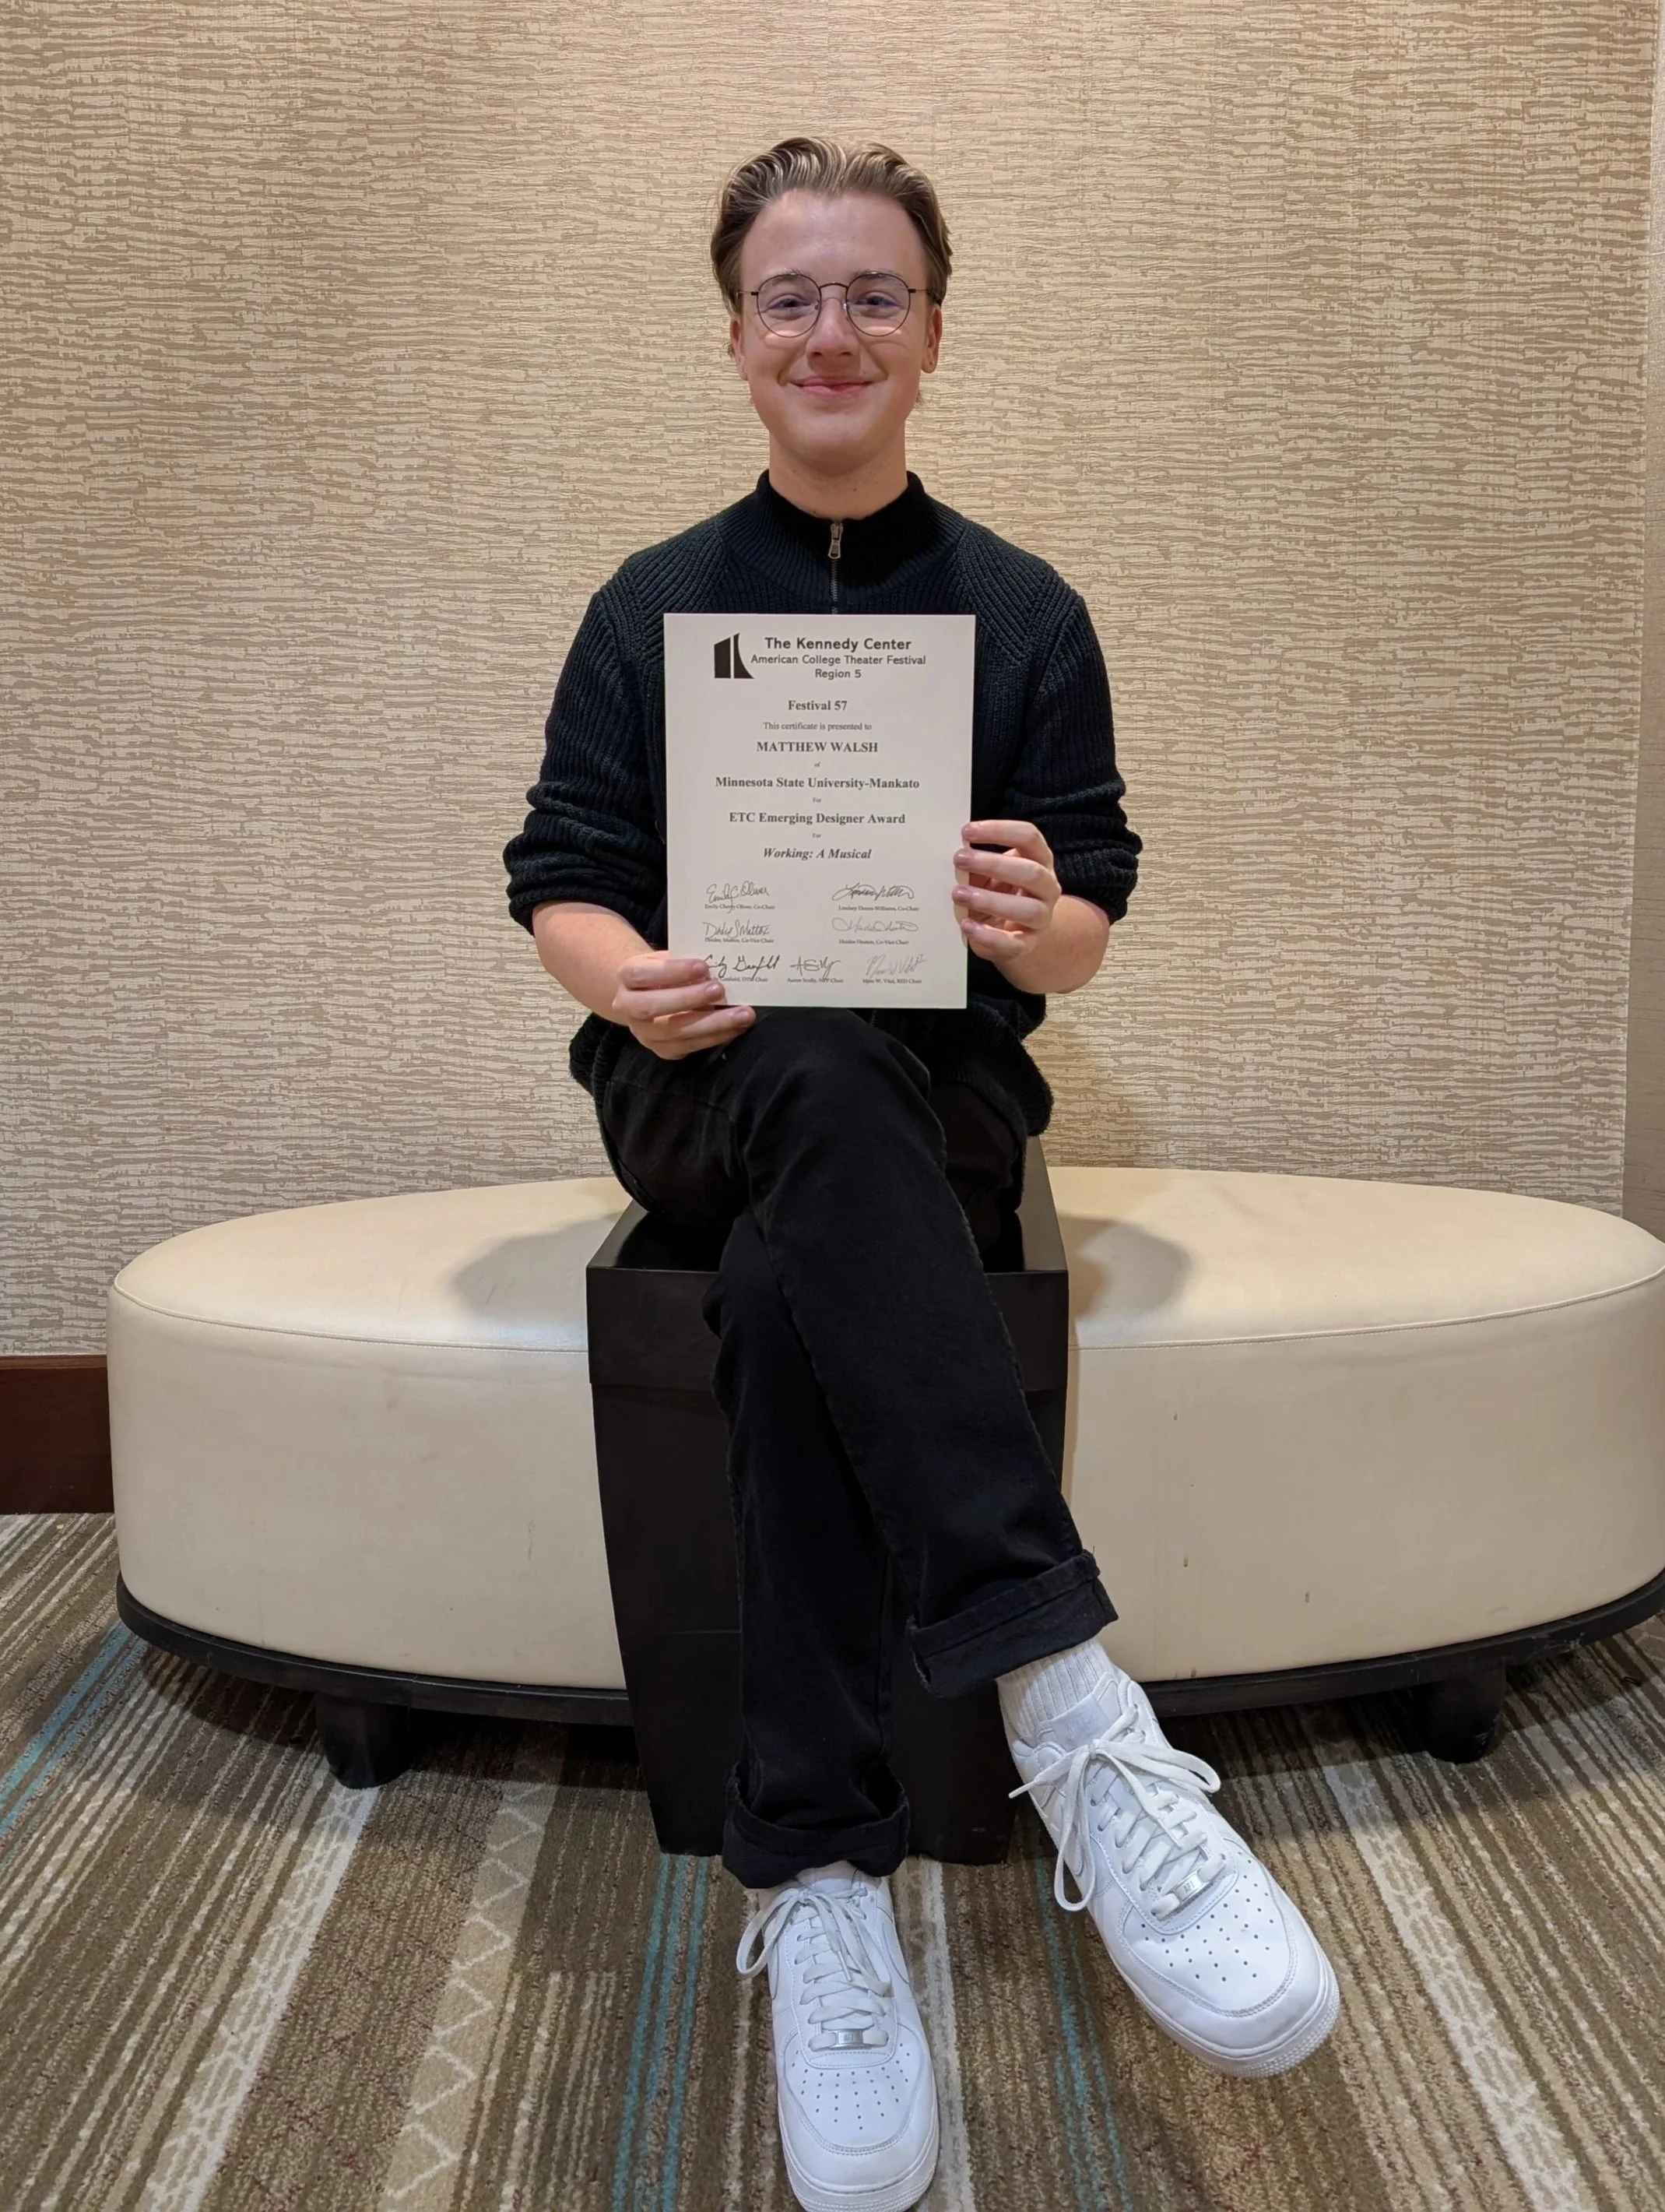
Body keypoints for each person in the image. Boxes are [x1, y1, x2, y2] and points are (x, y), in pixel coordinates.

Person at [504, 135, 1339, 2212]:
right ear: (735, 340)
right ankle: (1067, 1697)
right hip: (702, 1093)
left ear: (936, 334)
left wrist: (1028, 908)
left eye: (874, 293)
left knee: (813, 1253)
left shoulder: (1024, 611)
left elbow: (1083, 928)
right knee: (793, 1054)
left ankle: (820, 1879)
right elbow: (560, 888)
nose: (832, 330)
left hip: (932, 1105)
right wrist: (647, 978)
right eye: (792, 296)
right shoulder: (653, 607)